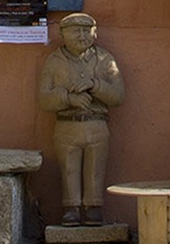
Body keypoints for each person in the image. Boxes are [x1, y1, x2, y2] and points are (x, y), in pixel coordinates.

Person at [37, 12, 125, 225]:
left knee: (96, 167)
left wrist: (96, 85)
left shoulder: (104, 59)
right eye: (76, 31)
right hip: (67, 124)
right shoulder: (54, 61)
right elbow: (44, 99)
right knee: (69, 167)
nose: (82, 36)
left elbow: (118, 95)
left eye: (87, 30)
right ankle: (71, 207)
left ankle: (94, 205)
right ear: (62, 34)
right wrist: (68, 98)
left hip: (96, 123)